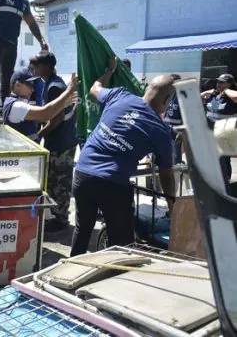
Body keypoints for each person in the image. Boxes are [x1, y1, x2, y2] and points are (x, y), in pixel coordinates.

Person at [70, 58, 176, 257]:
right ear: (166, 100)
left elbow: (94, 88)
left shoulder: (120, 95)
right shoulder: (160, 131)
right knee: (121, 241)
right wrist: (172, 205)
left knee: (82, 228)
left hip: (83, 172)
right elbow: (166, 174)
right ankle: (115, 279)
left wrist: (110, 71)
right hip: (113, 183)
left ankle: (68, 272)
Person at [34, 51, 78, 232]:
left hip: (62, 142)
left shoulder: (54, 86)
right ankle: (57, 216)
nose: (34, 68)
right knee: (53, 180)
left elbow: (57, 117)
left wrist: (39, 135)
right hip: (58, 141)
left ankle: (61, 219)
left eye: (36, 65)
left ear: (46, 67)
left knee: (60, 181)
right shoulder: (50, 83)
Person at [2, 68, 77, 142]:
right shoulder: (16, 106)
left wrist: (63, 104)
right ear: (17, 85)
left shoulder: (15, 103)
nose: (32, 89)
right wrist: (68, 91)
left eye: (33, 85)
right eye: (29, 84)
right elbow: (45, 114)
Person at [201, 73, 237, 181]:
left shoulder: (231, 98)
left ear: (229, 84)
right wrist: (207, 92)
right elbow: (193, 98)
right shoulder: (213, 96)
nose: (218, 84)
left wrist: (226, 91)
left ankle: (225, 182)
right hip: (210, 134)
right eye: (218, 82)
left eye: (222, 82)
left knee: (223, 161)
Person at [163, 74, 184, 164]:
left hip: (176, 129)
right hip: (166, 127)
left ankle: (177, 174)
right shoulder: (168, 94)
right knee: (166, 152)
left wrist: (182, 132)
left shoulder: (182, 96)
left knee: (176, 154)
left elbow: (185, 115)